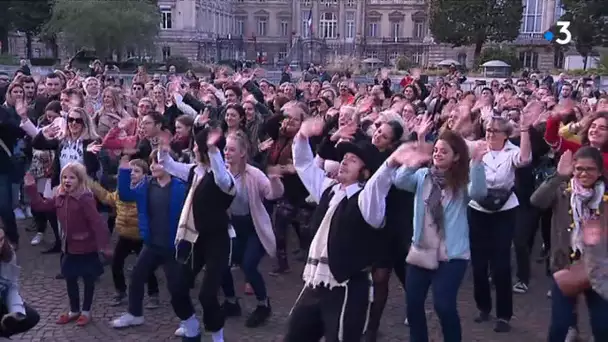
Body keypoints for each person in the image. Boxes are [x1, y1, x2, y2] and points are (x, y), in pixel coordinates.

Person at [284, 117, 394, 342]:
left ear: (364, 172)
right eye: (344, 158)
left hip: (347, 288)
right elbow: (304, 165)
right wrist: (303, 136)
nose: (343, 162)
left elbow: (378, 184)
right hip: (316, 282)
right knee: (295, 335)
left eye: (352, 160)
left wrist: (393, 161)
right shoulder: (329, 189)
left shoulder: (366, 201)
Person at [390, 131, 488, 342]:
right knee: (413, 304)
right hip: (422, 250)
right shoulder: (422, 176)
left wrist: (478, 162)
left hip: (452, 254)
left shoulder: (462, 182)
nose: (438, 154)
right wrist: (414, 159)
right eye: (436, 150)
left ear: (456, 156)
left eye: (444, 151)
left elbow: (479, 193)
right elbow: (399, 181)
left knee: (443, 305)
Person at [159, 124, 236, 342]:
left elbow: (221, 176)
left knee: (207, 294)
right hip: (195, 238)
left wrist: (213, 151)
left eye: (196, 146)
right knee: (177, 286)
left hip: (219, 241)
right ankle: (191, 327)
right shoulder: (194, 171)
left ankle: (217, 336)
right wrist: (163, 149)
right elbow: (169, 165)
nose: (192, 149)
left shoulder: (223, 177)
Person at [530, 148, 608, 342]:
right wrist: (558, 176)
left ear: (599, 172)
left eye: (590, 169)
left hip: (599, 270)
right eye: (579, 168)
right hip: (565, 265)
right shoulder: (563, 191)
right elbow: (536, 201)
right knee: (560, 325)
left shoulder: (605, 198)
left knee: (602, 325)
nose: (583, 173)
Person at [24, 162, 111, 326]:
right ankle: (74, 310)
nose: (67, 180)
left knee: (88, 279)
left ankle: (86, 311)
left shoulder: (85, 198)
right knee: (70, 277)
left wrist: (104, 245)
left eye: (72, 177)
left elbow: (97, 222)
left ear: (79, 180)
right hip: (69, 247)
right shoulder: (59, 195)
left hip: (86, 247)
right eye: (64, 177)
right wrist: (32, 189)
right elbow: (41, 206)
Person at [110, 151, 187, 330]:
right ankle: (135, 314)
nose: (153, 166)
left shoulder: (180, 187)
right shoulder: (147, 184)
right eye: (151, 162)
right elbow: (126, 195)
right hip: (151, 244)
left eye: (158, 162)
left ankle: (186, 320)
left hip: (172, 246)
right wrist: (123, 166)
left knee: (176, 286)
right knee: (136, 277)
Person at [219, 131, 284, 328]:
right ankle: (231, 302)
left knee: (248, 265)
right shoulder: (222, 171)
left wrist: (275, 180)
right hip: (233, 226)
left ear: (242, 153)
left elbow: (274, 194)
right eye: (225, 149)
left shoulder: (254, 174)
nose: (227, 153)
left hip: (254, 228)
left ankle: (263, 305)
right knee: (221, 263)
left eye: (231, 150)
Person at [87, 159, 160, 308]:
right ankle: (120, 292)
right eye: (130, 171)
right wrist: (90, 184)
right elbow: (107, 197)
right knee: (116, 264)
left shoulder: (147, 191)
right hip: (125, 236)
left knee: (147, 268)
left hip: (141, 237)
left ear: (145, 175)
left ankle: (153, 295)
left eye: (137, 171)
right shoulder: (121, 192)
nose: (132, 173)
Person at [0, 229, 40, 338]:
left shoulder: (8, 253)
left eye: (1, 240)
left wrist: (16, 311)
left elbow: (11, 286)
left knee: (31, 317)